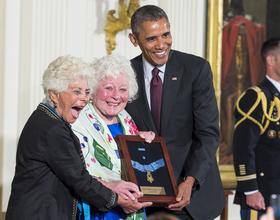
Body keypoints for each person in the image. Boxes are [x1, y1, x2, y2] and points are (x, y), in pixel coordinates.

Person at [5, 55, 150, 220]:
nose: (84, 98)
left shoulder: (46, 118)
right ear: (54, 94)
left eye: (87, 91)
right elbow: (80, 179)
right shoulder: (53, 129)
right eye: (76, 91)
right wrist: (118, 200)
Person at [125, 5, 226, 220]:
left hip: (192, 197)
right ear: (134, 40)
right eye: (152, 39)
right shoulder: (124, 75)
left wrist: (191, 180)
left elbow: (208, 133)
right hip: (144, 199)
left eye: (166, 34)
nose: (162, 45)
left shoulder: (195, 69)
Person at [71, 54, 154, 220]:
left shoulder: (127, 118)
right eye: (108, 88)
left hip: (133, 210)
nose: (116, 96)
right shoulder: (76, 120)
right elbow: (74, 174)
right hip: (98, 210)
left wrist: (142, 143)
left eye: (123, 89)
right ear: (92, 90)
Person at [232, 37, 280, 220]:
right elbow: (243, 148)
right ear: (270, 60)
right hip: (262, 195)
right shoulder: (256, 98)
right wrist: (250, 189)